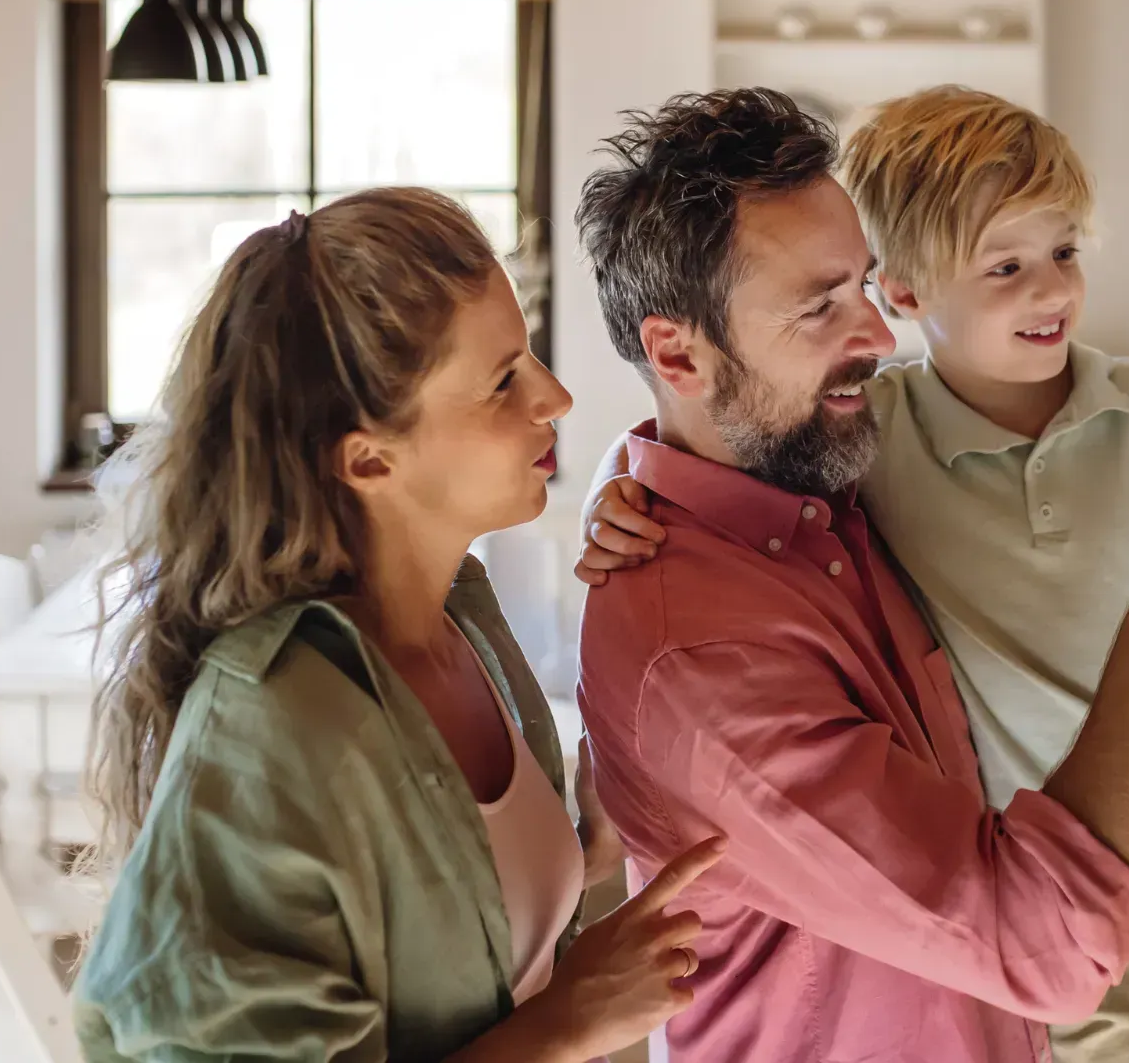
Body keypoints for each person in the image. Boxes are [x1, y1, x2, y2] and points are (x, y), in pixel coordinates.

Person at [580, 86, 1129, 1063]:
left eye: (858, 287)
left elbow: (696, 444)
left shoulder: (821, 475)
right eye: (822, 305)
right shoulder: (710, 646)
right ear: (678, 351)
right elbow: (1047, 944)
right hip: (1061, 937)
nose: (877, 339)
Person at [71, 187, 722, 1063]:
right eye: (502, 382)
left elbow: (453, 934)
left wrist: (582, 850)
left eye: (528, 356)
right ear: (368, 459)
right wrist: (569, 1022)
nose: (556, 397)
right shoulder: (267, 733)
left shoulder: (464, 623)